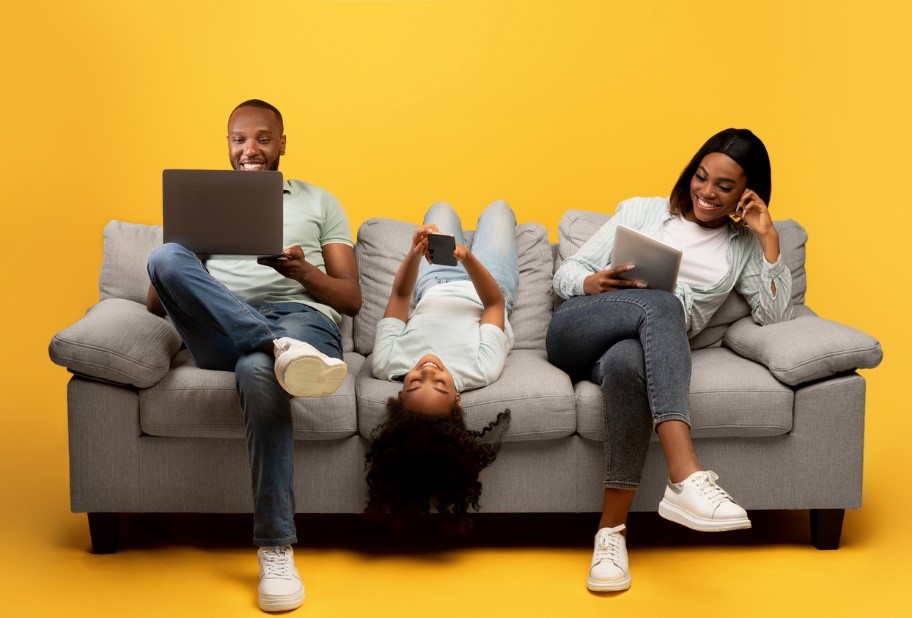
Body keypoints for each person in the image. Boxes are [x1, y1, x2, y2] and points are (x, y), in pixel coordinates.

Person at [547, 128, 792, 592]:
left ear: (747, 194)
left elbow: (774, 315)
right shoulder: (642, 210)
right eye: (701, 177)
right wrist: (591, 282)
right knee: (665, 304)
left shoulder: (742, 247)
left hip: (627, 354)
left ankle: (610, 534)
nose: (707, 192)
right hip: (577, 330)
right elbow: (566, 272)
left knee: (627, 367)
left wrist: (768, 238)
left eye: (725, 187)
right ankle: (686, 474)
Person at [145, 99, 361, 612]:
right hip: (227, 323)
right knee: (163, 255)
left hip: (301, 320)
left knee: (258, 369)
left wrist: (302, 273)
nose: (250, 150)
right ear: (227, 145)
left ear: (283, 143)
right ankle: (270, 343)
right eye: (239, 139)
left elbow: (351, 299)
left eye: (263, 138)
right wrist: (191, 248)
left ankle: (275, 546)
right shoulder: (203, 205)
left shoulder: (320, 201)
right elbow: (157, 301)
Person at [367, 200, 517, 530]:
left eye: (415, 382)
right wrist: (468, 258)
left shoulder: (387, 363)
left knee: (440, 209)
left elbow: (401, 295)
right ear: (458, 398)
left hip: (433, 282)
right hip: (488, 280)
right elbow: (494, 302)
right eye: (440, 384)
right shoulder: (480, 369)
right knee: (498, 210)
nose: (428, 370)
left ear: (400, 394)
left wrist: (416, 253)